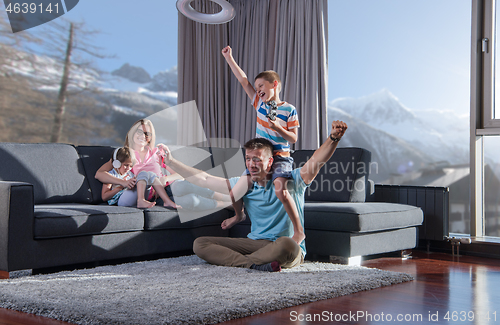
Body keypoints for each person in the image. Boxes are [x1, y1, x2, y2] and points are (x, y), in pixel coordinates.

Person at [162, 120, 348, 272]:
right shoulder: (243, 184)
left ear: (270, 162)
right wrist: (171, 161)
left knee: (286, 245)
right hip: (255, 243)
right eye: (248, 159)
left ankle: (242, 263)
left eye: (257, 159)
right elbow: (203, 178)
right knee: (200, 244)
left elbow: (317, 161)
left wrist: (333, 138)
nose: (251, 164)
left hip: (284, 246)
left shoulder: (291, 181)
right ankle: (252, 265)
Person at [221, 45, 305, 246]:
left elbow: (293, 139)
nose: (258, 90)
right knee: (235, 193)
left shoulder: (289, 109)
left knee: (281, 191)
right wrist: (229, 58)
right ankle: (239, 215)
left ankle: (299, 231)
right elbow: (243, 81)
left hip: (280, 158)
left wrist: (277, 127)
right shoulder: (259, 104)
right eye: (256, 88)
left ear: (274, 84)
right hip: (260, 158)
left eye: (261, 86)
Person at [95, 119, 230, 210]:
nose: (143, 136)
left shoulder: (156, 153)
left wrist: (166, 178)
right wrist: (122, 183)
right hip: (151, 197)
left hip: (166, 189)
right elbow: (100, 174)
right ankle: (223, 205)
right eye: (139, 132)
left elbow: (179, 173)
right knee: (191, 201)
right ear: (132, 132)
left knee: (182, 185)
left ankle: (229, 199)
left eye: (147, 133)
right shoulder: (124, 155)